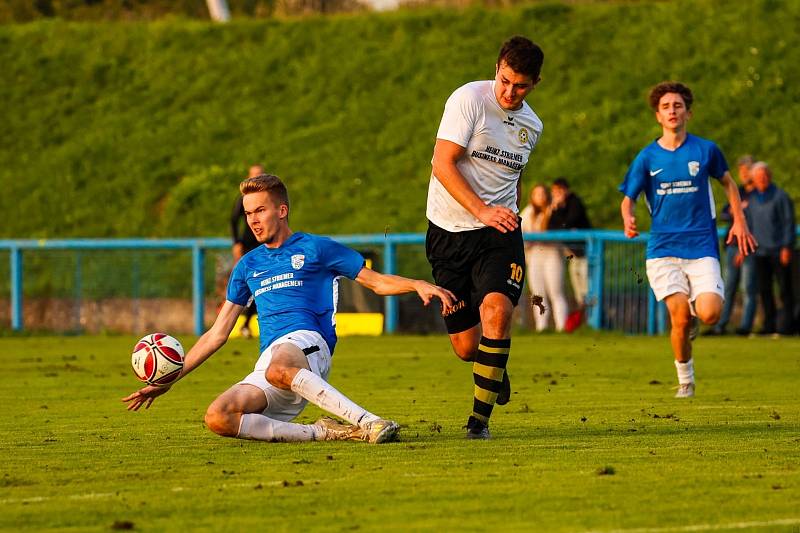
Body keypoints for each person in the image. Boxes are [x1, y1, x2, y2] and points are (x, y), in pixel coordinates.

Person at [124, 174, 455, 444]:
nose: (253, 220)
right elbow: (217, 333)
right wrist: (170, 379)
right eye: (248, 213)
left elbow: (376, 281)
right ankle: (324, 433)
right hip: (271, 361)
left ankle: (370, 422)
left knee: (279, 366)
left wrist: (417, 284)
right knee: (218, 416)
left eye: (260, 211)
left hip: (308, 345)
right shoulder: (247, 266)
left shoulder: (315, 247)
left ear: (281, 211)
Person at [426, 35, 544, 438]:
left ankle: (479, 423)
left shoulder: (533, 126)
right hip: (448, 232)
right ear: (496, 68)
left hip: (499, 233)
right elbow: (442, 163)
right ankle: (496, 368)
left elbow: (515, 178)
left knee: (497, 311)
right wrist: (480, 210)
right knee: (465, 347)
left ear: (536, 84)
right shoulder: (469, 100)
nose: (510, 92)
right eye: (505, 81)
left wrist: (505, 214)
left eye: (521, 86)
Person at [619, 81, 756, 398]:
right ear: (657, 115)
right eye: (666, 106)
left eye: (677, 106)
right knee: (679, 317)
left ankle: (696, 315)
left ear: (688, 113)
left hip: (701, 246)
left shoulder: (705, 150)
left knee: (709, 313)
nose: (672, 111)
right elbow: (628, 197)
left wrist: (739, 219)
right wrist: (628, 217)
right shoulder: (647, 157)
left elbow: (728, 183)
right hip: (663, 249)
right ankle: (686, 379)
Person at [705, 155, 757, 336]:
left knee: (748, 287)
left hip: (749, 245)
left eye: (746, 171)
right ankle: (720, 325)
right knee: (728, 287)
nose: (743, 175)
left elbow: (754, 221)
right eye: (741, 171)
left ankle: (745, 327)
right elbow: (725, 213)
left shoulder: (758, 195)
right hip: (732, 245)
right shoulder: (739, 191)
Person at [748, 162, 796, 336]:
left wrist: (786, 246)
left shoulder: (780, 196)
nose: (762, 179)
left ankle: (787, 326)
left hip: (778, 250)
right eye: (759, 177)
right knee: (764, 290)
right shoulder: (752, 199)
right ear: (753, 179)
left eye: (765, 176)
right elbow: (749, 224)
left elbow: (788, 222)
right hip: (760, 252)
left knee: (784, 289)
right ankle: (769, 325)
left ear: (770, 176)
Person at [520, 183, 568, 331]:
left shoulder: (553, 210)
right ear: (532, 196)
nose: (540, 197)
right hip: (535, 255)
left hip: (552, 253)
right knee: (538, 294)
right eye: (536, 194)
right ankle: (542, 327)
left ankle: (562, 327)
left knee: (556, 292)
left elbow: (559, 228)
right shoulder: (528, 212)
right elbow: (520, 232)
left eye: (542, 193)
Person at [547, 176, 592, 329]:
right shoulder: (556, 207)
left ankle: (593, 322)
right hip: (574, 255)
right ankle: (585, 324)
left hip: (587, 253)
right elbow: (552, 228)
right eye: (554, 191)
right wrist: (557, 209)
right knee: (579, 291)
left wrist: (559, 212)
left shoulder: (575, 202)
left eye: (559, 191)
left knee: (588, 288)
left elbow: (570, 221)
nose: (556, 194)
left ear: (566, 190)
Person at [230, 164, 265, 338]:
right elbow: (233, 220)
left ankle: (246, 324)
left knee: (262, 286)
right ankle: (235, 324)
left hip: (265, 245)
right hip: (249, 246)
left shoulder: (269, 198)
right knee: (249, 285)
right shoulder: (244, 198)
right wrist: (237, 243)